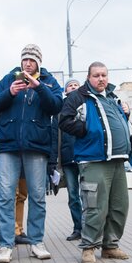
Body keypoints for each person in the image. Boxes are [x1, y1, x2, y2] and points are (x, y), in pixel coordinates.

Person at [0, 44, 62, 263]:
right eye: (25, 60)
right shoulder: (9, 78)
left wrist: (39, 87)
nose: (27, 63)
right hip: (9, 145)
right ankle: (5, 245)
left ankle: (37, 242)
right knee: (5, 196)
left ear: (39, 62)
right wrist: (10, 92)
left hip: (36, 146)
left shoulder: (48, 81)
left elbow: (56, 105)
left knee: (38, 196)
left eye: (32, 60)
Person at [58, 62, 132, 263]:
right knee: (95, 206)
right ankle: (89, 247)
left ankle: (110, 246)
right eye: (97, 75)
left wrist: (127, 115)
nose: (101, 79)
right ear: (88, 77)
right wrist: (87, 130)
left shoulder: (113, 97)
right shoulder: (78, 97)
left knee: (119, 206)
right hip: (93, 159)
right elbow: (64, 121)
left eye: (104, 75)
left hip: (117, 159)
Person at [52, 79, 84, 241]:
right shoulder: (60, 109)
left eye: (76, 85)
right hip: (68, 158)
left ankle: (90, 228)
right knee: (73, 195)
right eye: (70, 85)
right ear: (65, 91)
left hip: (85, 156)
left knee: (88, 194)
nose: (73, 87)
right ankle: (78, 228)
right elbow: (55, 135)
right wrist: (54, 162)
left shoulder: (86, 104)